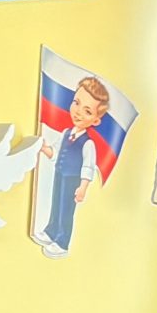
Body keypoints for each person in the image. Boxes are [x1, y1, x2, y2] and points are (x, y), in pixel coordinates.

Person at [34, 77, 111, 256]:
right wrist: (44, 148)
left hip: (72, 179)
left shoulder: (88, 143)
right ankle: (51, 230)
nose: (78, 112)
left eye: (87, 111)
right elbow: (55, 151)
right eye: (76, 103)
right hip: (60, 173)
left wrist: (82, 187)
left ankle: (62, 241)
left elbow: (88, 167)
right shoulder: (66, 133)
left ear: (95, 121)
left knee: (66, 209)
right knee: (56, 202)